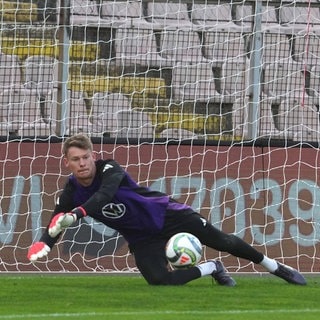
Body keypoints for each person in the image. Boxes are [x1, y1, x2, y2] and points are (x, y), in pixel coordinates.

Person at [27, 134, 306, 286]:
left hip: (168, 215)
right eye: (75, 159)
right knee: (160, 281)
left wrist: (76, 215)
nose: (82, 163)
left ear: (93, 155)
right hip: (141, 236)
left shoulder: (109, 168)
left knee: (223, 241)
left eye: (86, 157)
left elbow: (104, 195)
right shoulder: (72, 189)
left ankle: (276, 267)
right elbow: (56, 219)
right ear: (67, 163)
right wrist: (45, 243)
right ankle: (211, 267)